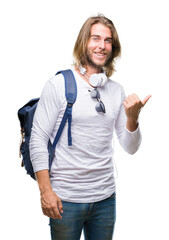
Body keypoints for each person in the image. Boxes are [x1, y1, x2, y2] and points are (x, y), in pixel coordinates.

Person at [29, 14, 151, 240]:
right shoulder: (58, 85)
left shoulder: (116, 90)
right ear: (84, 42)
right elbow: (37, 138)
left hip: (105, 198)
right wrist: (45, 191)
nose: (102, 46)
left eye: (107, 41)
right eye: (96, 38)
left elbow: (130, 147)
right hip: (65, 199)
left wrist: (133, 118)